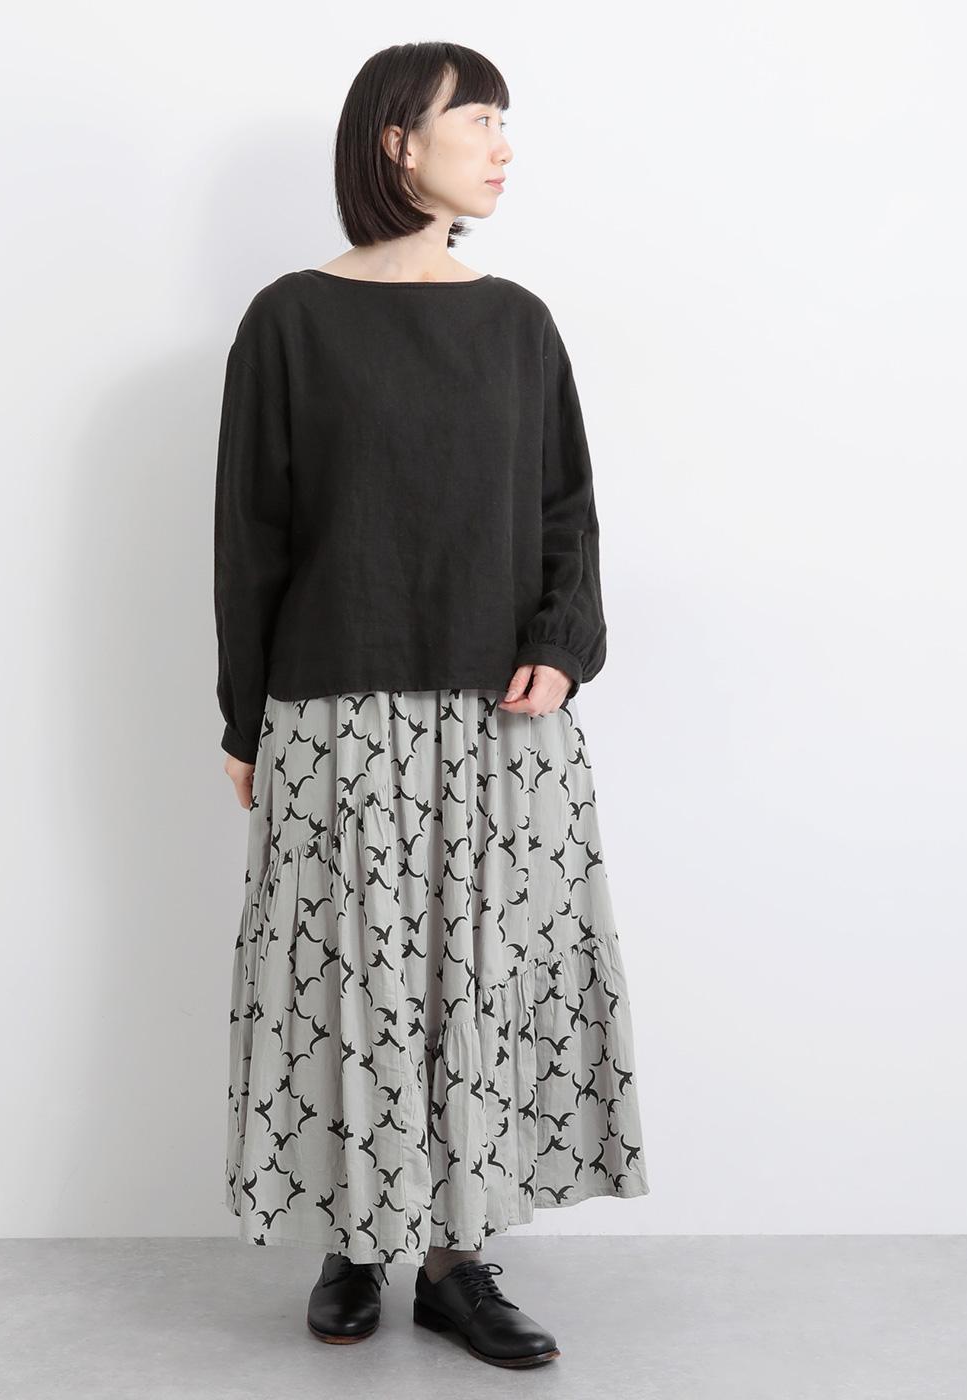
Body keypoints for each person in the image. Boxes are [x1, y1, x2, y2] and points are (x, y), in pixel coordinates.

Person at [215, 41, 649, 1370]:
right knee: (354, 981)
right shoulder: (289, 321)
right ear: (398, 140)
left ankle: (457, 1263)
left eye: (508, 122)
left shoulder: (516, 323)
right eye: (481, 120)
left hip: (495, 715)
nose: (504, 146)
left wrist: (562, 646)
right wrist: (245, 719)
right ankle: (356, 1241)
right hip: (334, 712)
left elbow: (566, 508)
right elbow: (251, 534)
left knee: (477, 983)